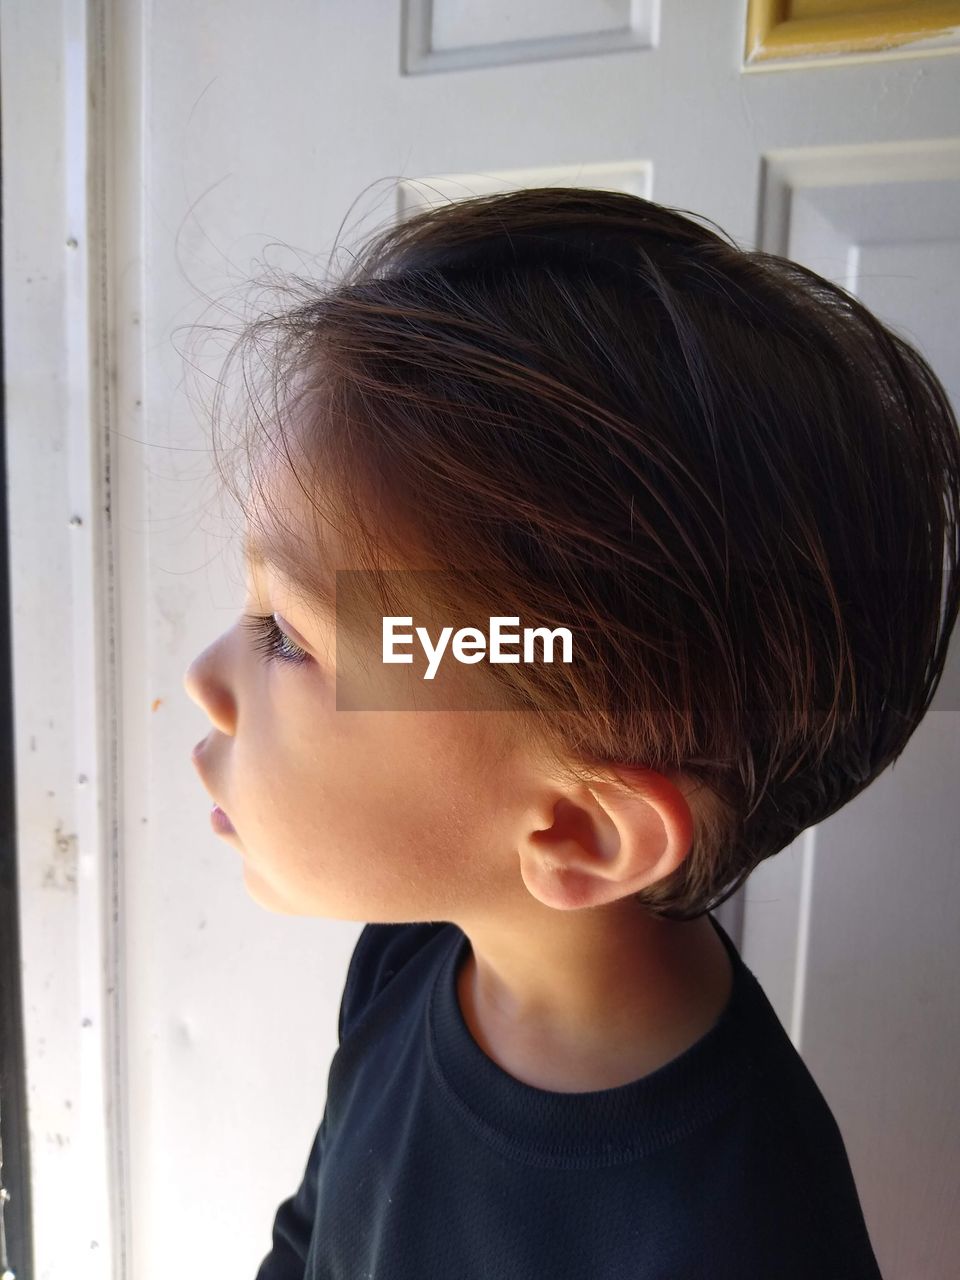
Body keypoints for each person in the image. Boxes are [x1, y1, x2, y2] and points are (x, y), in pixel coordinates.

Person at [183, 185, 960, 1278]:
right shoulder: (414, 952)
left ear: (579, 830)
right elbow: (316, 1233)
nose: (205, 678)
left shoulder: (739, 1236)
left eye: (291, 638)